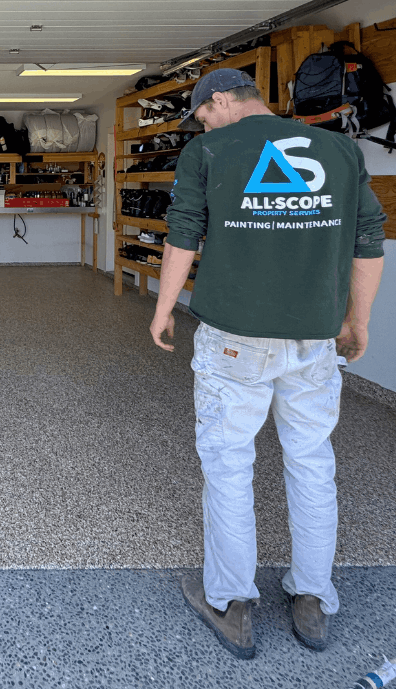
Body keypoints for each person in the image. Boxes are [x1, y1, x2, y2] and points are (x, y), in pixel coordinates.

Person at [148, 68, 387, 659]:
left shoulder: (208, 152)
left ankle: (231, 604)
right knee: (312, 464)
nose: (200, 125)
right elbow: (368, 238)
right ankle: (312, 599)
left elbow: (183, 235)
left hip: (234, 340)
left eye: (202, 114)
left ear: (222, 101)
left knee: (229, 464)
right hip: (314, 338)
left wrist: (163, 308)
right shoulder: (338, 148)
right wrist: (358, 320)